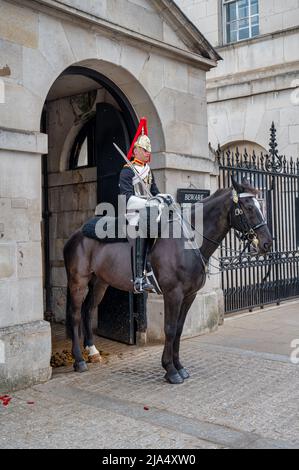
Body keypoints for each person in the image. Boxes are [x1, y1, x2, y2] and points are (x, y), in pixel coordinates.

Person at [119, 118, 171, 293]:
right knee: (143, 228)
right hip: (133, 213)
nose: (149, 153)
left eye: (149, 151)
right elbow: (126, 198)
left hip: (149, 212)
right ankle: (139, 278)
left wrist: (165, 197)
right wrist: (148, 203)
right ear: (136, 150)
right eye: (145, 150)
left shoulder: (148, 170)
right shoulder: (127, 170)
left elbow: (155, 191)